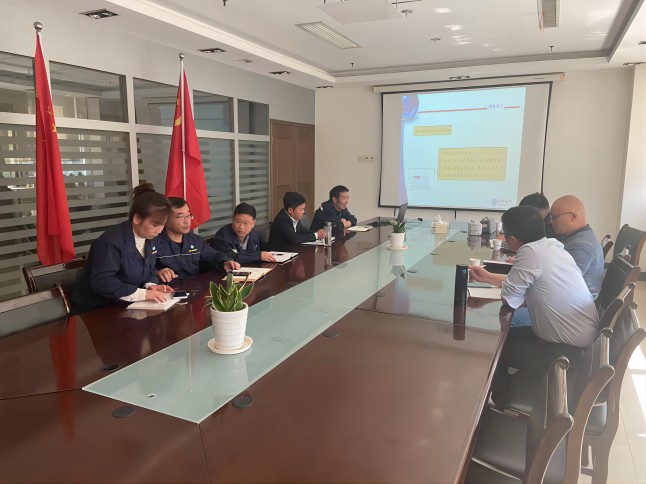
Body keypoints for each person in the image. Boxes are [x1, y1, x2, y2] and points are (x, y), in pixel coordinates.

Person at [469, 205, 599, 406]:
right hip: (582, 343)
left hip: (564, 354)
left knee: (494, 347)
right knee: (506, 337)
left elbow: (511, 298)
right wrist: (488, 277)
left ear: (513, 239)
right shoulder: (551, 245)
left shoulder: (529, 252)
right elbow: (526, 284)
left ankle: (500, 402)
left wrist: (502, 285)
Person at [71, 183, 174, 314]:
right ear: (137, 218)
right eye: (155, 225)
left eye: (163, 225)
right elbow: (103, 282)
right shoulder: (111, 242)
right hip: (97, 310)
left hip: (128, 306)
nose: (159, 230)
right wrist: (144, 294)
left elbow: (148, 267)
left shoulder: (151, 237)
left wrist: (151, 286)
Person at [155, 197, 239, 283]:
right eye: (180, 217)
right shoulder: (154, 243)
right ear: (165, 219)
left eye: (188, 215)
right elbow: (148, 270)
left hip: (194, 288)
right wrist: (158, 272)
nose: (187, 221)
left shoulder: (195, 241)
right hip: (168, 289)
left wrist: (225, 262)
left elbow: (214, 255)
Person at [549, 195, 604, 299]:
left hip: (575, 305)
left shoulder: (581, 245)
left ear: (573, 217)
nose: (551, 221)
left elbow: (560, 283)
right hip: (572, 299)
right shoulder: (579, 236)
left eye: (554, 217)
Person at [211, 202, 276, 264]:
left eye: (246, 223)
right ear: (233, 219)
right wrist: (258, 256)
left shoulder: (254, 234)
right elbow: (230, 257)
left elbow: (256, 252)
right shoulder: (222, 236)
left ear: (253, 223)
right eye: (238, 221)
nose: (241, 227)